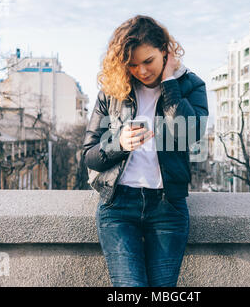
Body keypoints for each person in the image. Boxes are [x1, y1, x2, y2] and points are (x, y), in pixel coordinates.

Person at [83, 15, 208, 287]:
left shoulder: (191, 85)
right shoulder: (113, 92)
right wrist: (118, 144)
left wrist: (170, 83)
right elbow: (88, 154)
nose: (141, 71)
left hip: (168, 207)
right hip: (118, 206)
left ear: (165, 51)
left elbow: (191, 134)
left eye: (148, 61)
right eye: (133, 64)